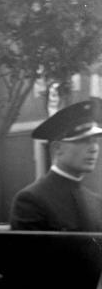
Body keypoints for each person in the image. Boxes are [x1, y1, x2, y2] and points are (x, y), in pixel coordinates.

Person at [10, 99, 102, 231]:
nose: (94, 148)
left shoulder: (97, 202)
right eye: (83, 140)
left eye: (95, 141)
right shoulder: (32, 201)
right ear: (57, 148)